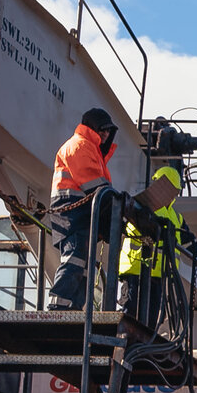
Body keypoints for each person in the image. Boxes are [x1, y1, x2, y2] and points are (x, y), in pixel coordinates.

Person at [48, 107, 119, 311]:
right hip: (71, 211)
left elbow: (99, 189)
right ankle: (57, 307)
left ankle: (73, 309)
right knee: (74, 260)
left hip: (81, 212)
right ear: (92, 128)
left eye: (109, 131)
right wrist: (115, 205)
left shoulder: (91, 149)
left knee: (84, 266)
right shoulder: (80, 145)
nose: (106, 134)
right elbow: (94, 184)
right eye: (102, 129)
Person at [118, 162, 189, 334]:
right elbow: (136, 225)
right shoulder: (142, 205)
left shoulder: (176, 217)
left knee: (150, 320)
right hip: (136, 269)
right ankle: (124, 343)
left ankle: (140, 346)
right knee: (131, 314)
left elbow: (188, 240)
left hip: (157, 275)